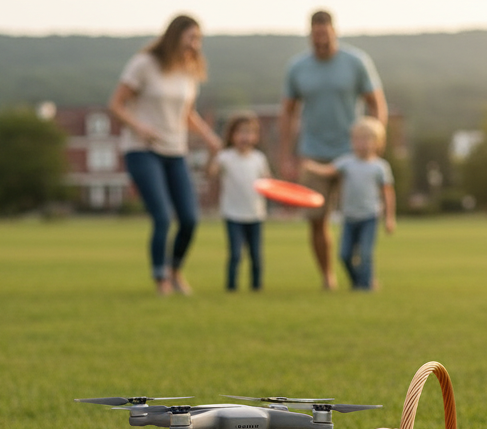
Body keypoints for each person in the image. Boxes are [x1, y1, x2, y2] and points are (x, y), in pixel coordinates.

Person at [109, 14, 222, 295]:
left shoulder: (189, 71)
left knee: (189, 218)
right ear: (175, 35)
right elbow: (116, 104)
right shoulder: (145, 65)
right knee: (162, 216)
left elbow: (186, 114)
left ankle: (175, 270)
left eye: (199, 39)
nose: (196, 44)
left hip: (176, 151)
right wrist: (139, 126)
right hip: (142, 150)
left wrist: (209, 137)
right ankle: (161, 280)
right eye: (191, 37)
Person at [279, 9, 388, 290]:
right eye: (315, 37)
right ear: (309, 35)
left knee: (362, 214)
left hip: (353, 152)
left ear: (334, 32)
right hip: (313, 153)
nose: (321, 42)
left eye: (325, 36)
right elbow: (288, 113)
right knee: (317, 220)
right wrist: (286, 154)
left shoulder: (356, 62)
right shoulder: (297, 68)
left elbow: (376, 102)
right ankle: (328, 275)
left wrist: (377, 139)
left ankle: (364, 272)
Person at [300, 117, 395, 290]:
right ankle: (358, 281)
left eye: (367, 139)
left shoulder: (380, 167)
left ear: (378, 143)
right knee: (344, 255)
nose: (362, 143)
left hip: (369, 216)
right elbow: (327, 171)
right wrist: (311, 167)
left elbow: (388, 193)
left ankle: (365, 288)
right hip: (349, 217)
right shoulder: (346, 162)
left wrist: (389, 218)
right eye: (357, 139)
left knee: (365, 254)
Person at [207, 113, 271, 291]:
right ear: (232, 135)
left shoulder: (259, 158)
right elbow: (211, 173)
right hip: (233, 214)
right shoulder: (225, 157)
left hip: (255, 214)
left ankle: (257, 287)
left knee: (256, 255)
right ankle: (231, 288)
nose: (245, 137)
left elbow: (269, 182)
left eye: (250, 132)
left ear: (256, 136)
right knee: (235, 254)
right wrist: (212, 154)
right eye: (241, 132)